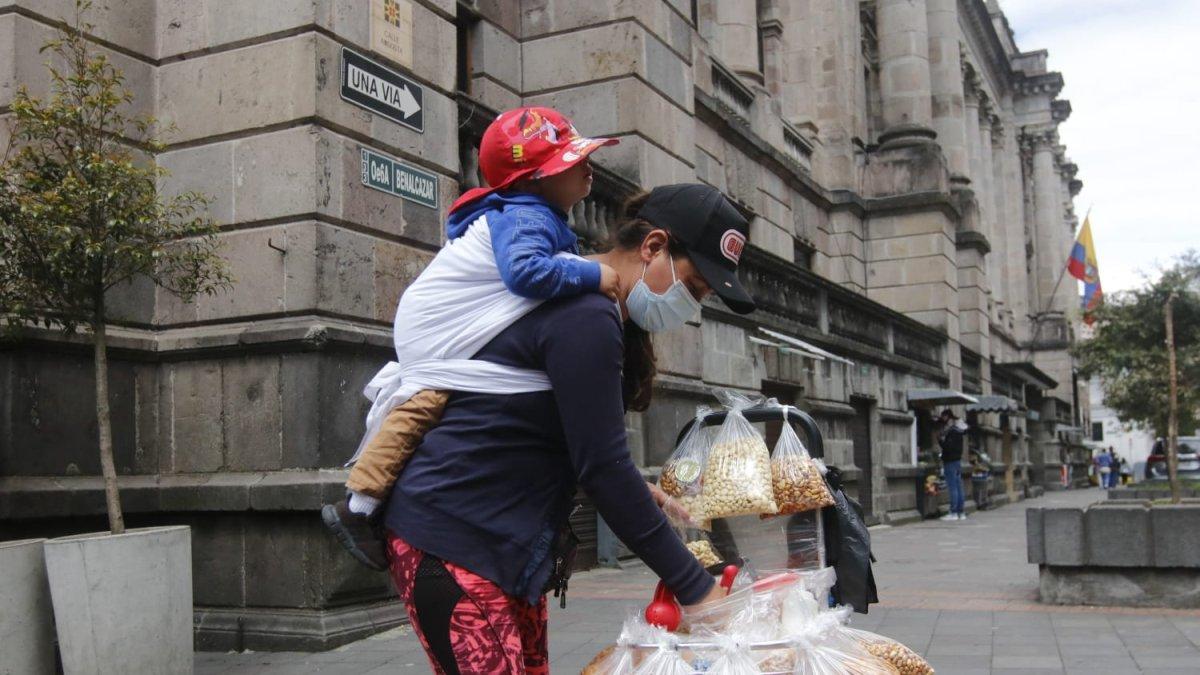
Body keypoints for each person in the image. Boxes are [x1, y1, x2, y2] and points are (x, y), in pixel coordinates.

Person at [383, 183, 757, 673]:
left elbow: (561, 438)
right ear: (653, 247)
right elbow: (603, 469)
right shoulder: (587, 313)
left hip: (504, 551)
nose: (695, 302)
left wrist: (637, 489)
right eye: (696, 285)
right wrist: (697, 589)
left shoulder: (596, 309)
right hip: (455, 541)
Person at [321, 107, 624, 570]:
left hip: (437, 322)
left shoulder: (531, 214)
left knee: (425, 407)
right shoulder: (527, 217)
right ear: (534, 180)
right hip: (437, 327)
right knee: (422, 406)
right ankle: (359, 508)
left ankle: (366, 507)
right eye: (572, 161)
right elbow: (527, 274)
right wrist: (593, 275)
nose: (587, 168)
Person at [937, 409, 968, 521]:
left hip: (950, 461)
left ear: (947, 417)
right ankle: (961, 512)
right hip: (957, 461)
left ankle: (953, 512)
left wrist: (940, 440)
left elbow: (948, 447)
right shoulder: (959, 431)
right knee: (958, 487)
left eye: (944, 417)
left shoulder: (952, 432)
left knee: (952, 487)